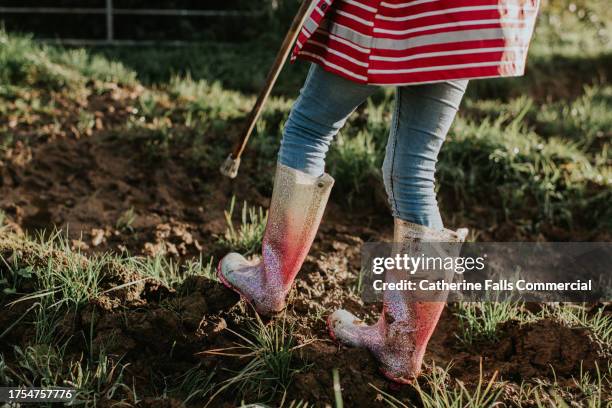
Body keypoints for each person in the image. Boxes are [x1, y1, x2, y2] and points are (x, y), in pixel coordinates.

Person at [218, 0, 539, 384]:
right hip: (460, 17)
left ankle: (268, 283)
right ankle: (400, 347)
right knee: (414, 170)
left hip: (391, 9)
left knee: (308, 130)